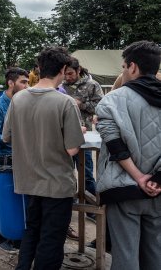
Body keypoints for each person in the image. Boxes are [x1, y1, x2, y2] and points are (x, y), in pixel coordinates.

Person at [3, 47, 85, 270]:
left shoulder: (18, 99)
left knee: (32, 230)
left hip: (28, 180)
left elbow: (7, 137)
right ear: (63, 69)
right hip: (56, 183)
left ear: (39, 69)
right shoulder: (65, 102)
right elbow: (72, 149)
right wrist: (77, 132)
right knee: (52, 238)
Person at [95, 40, 161, 270]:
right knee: (155, 253)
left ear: (132, 67)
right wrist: (155, 179)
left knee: (125, 256)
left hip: (123, 190)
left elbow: (115, 145)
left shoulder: (112, 100)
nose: (123, 72)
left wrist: (139, 177)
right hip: (158, 191)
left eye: (123, 67)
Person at [0, 68, 29, 253]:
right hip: (3, 161)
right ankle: (1, 237)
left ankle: (19, 236)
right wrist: (11, 135)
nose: (27, 86)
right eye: (23, 82)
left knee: (20, 200)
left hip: (23, 159)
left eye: (27, 82)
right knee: (4, 199)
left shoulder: (25, 104)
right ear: (11, 83)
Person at [62, 57, 103, 223]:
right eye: (65, 74)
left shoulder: (92, 85)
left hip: (83, 137)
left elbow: (100, 108)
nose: (68, 77)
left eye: (70, 73)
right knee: (66, 172)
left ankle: (91, 207)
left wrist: (81, 104)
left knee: (86, 172)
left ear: (78, 70)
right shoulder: (61, 86)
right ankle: (69, 204)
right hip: (64, 136)